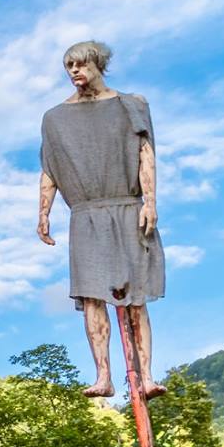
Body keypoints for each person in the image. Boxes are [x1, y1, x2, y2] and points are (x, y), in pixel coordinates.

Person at [36, 40, 167, 398]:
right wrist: (43, 213)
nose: (75, 71)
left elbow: (145, 155)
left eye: (80, 64)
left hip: (127, 205)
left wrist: (150, 202)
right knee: (92, 297)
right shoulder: (55, 118)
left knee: (135, 296)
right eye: (69, 66)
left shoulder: (131, 105)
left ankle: (147, 376)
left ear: (98, 64)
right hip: (86, 213)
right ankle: (103, 376)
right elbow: (49, 168)